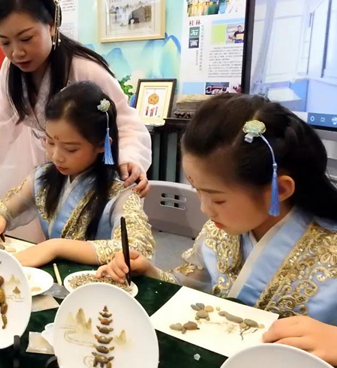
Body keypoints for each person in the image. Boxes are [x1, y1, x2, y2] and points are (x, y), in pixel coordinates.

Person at [96, 94, 337, 361]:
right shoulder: (222, 228)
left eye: (218, 199)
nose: (205, 209)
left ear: (279, 190)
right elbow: (193, 289)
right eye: (197, 190)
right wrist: (150, 272)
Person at [0, 0, 152, 232]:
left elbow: (123, 122)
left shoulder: (85, 69)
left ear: (51, 25)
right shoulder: (11, 70)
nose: (16, 52)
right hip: (43, 167)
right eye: (5, 42)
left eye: (26, 38)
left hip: (86, 171)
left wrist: (129, 157)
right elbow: (2, 121)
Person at [0, 82, 154, 267]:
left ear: (102, 144)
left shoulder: (121, 191)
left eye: (70, 149)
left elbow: (136, 250)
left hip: (101, 281)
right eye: (50, 142)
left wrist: (57, 247)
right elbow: (6, 209)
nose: (56, 156)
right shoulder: (42, 177)